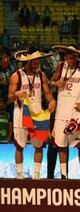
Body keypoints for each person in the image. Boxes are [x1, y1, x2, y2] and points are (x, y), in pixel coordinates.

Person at [8, 48, 56, 179]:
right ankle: (19, 174)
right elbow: (9, 97)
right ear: (28, 61)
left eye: (38, 60)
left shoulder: (41, 75)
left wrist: (52, 101)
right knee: (19, 146)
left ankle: (36, 174)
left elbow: (47, 94)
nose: (37, 62)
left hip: (37, 114)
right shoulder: (16, 75)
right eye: (35, 60)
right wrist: (16, 94)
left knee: (39, 146)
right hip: (21, 114)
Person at [50, 46, 80, 179]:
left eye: (72, 58)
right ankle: (63, 174)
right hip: (61, 111)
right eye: (68, 58)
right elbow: (51, 81)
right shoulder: (61, 66)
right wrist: (57, 84)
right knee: (61, 145)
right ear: (65, 58)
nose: (70, 60)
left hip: (76, 110)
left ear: (76, 57)